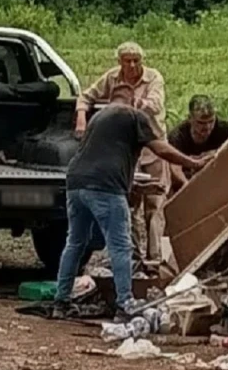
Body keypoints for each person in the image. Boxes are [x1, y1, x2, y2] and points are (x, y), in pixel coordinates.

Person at [54, 101, 206, 319]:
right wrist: (193, 163)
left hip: (76, 181)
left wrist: (131, 185)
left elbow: (107, 157)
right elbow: (160, 148)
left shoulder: (101, 117)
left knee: (75, 242)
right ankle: (125, 303)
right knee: (121, 245)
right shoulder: (137, 118)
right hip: (105, 186)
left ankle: (61, 301)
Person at [74, 42, 171, 265]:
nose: (132, 65)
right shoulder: (111, 78)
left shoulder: (153, 77)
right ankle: (134, 256)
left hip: (153, 146)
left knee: (155, 205)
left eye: (136, 60)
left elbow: (156, 104)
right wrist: (81, 118)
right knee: (131, 203)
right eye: (127, 61)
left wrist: (136, 104)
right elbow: (86, 96)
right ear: (120, 62)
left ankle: (154, 257)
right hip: (128, 152)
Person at [168, 95, 228, 188]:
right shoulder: (178, 136)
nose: (207, 127)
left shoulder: (226, 130)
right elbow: (175, 168)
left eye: (211, 121)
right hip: (189, 181)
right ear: (190, 119)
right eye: (201, 123)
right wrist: (187, 185)